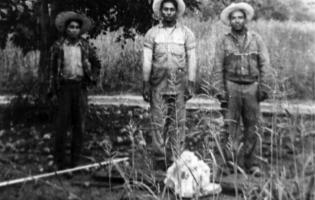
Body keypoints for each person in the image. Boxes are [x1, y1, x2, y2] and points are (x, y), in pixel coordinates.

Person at [213, 3, 270, 175]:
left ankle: (251, 164)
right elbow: (218, 66)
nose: (237, 21)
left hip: (252, 87)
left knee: (253, 126)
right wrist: (220, 91)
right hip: (231, 86)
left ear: (245, 20)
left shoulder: (256, 39)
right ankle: (231, 163)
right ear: (229, 21)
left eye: (240, 17)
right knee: (230, 126)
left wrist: (264, 87)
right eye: (234, 18)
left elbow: (265, 63)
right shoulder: (224, 40)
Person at [142, 0, 197, 163]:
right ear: (160, 11)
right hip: (158, 85)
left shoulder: (187, 34)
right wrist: (145, 83)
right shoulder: (152, 33)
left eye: (171, 9)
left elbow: (192, 59)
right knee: (158, 122)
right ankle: (159, 158)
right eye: (165, 9)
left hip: (179, 86)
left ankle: (177, 157)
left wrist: (191, 82)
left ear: (176, 11)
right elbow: (146, 60)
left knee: (179, 123)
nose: (168, 12)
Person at [48, 11, 101, 170]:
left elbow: (97, 63)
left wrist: (92, 78)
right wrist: (53, 90)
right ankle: (60, 162)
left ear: (80, 30)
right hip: (64, 88)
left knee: (79, 125)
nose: (74, 30)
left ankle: (75, 161)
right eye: (71, 27)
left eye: (77, 27)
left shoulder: (85, 46)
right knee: (61, 126)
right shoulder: (58, 47)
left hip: (80, 88)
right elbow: (51, 70)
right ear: (65, 29)